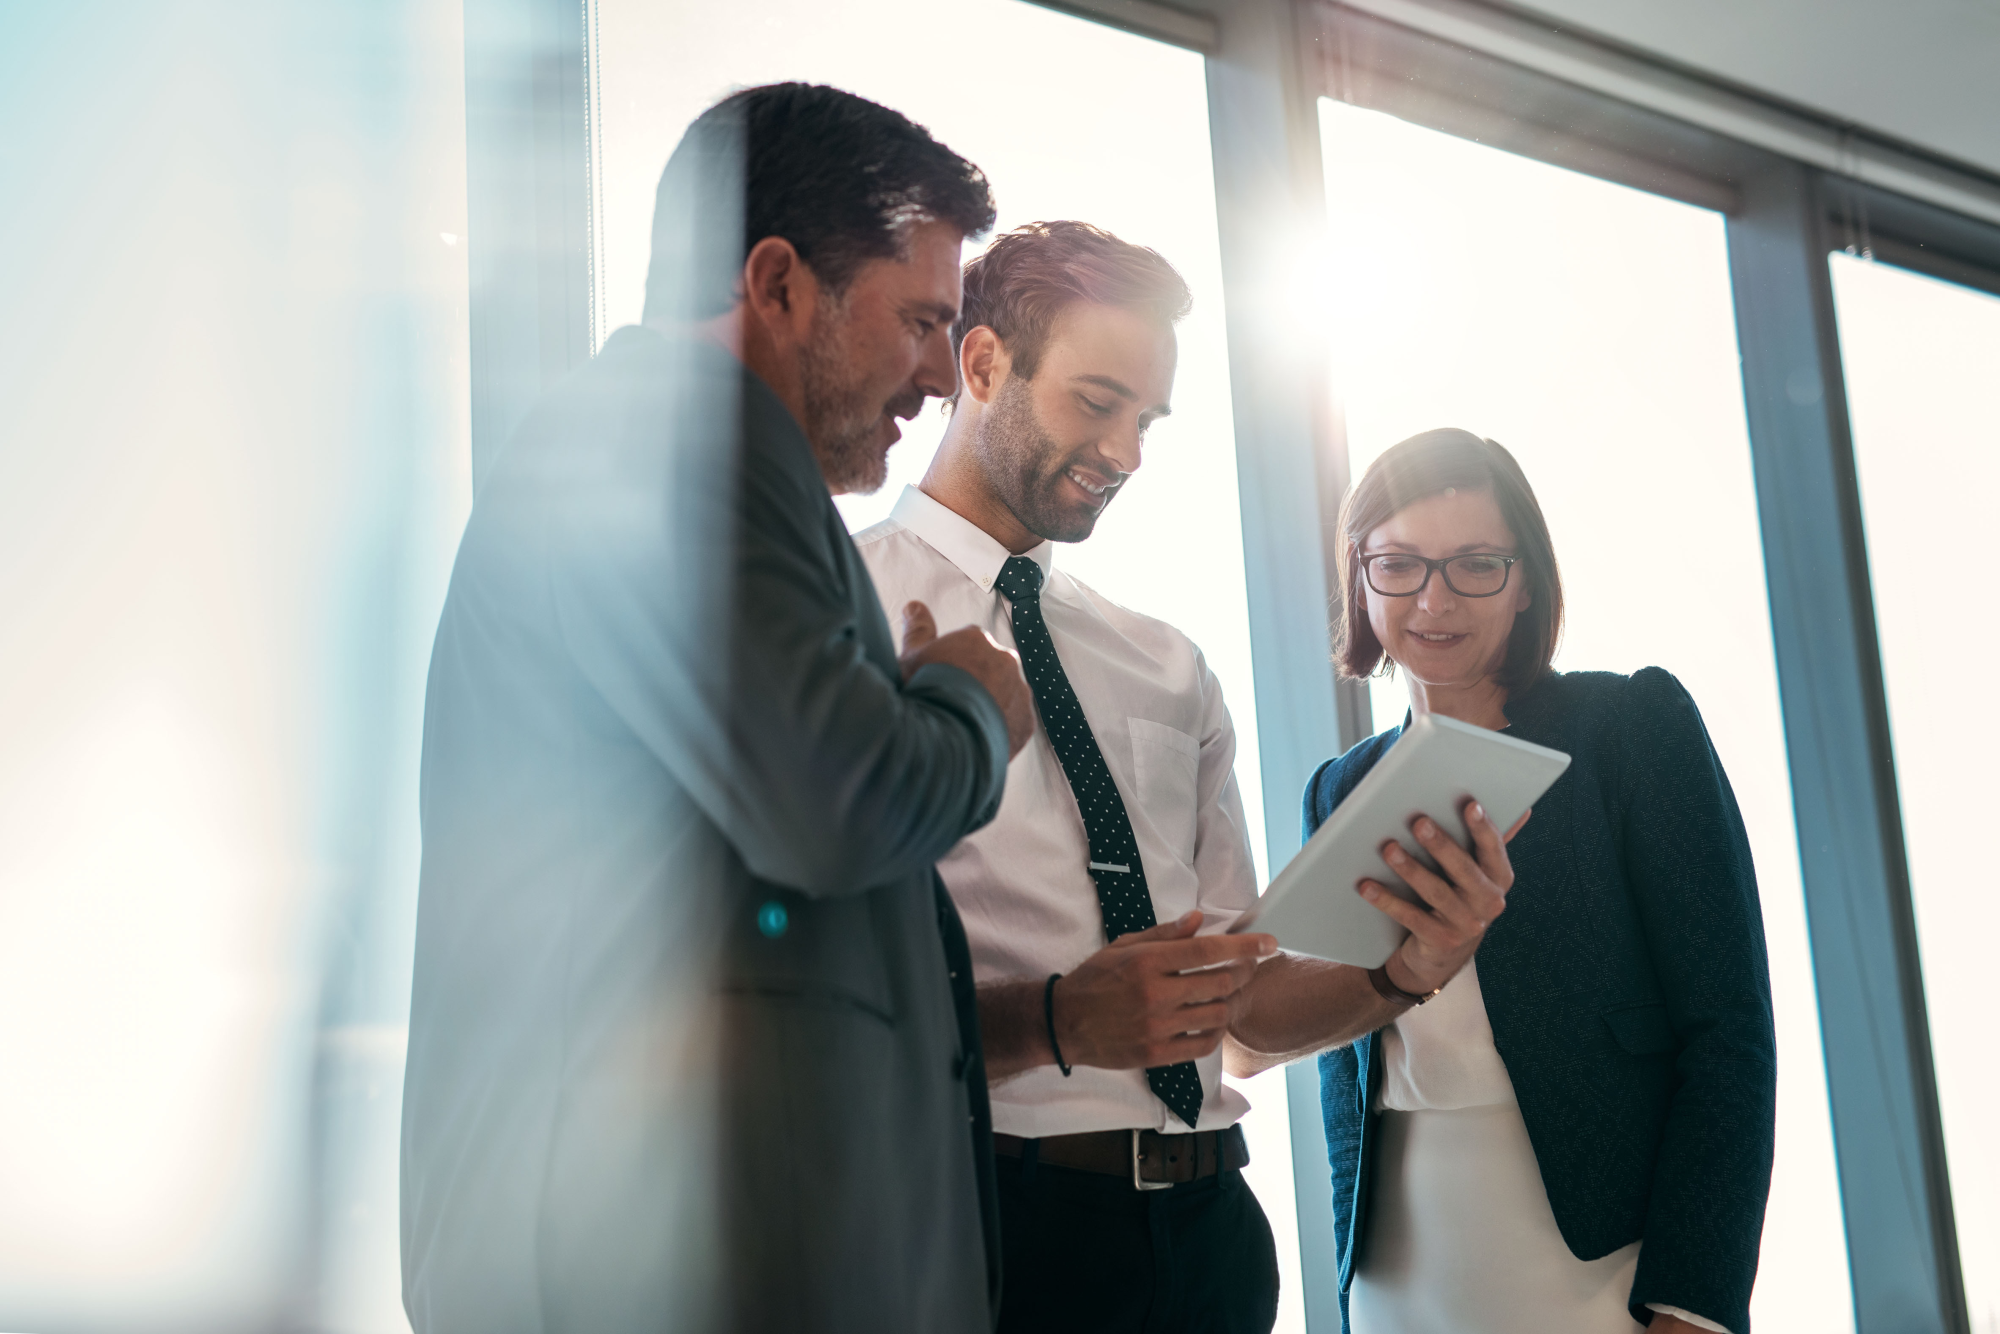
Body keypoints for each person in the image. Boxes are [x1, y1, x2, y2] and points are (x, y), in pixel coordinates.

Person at [401, 83, 1035, 1334]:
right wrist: (971, 700)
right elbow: (836, 797)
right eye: (915, 320)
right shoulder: (669, 438)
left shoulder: (683, 457)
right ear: (776, 281)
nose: (931, 377)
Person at [853, 222, 1509, 1334]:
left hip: (1210, 1234)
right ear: (980, 365)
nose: (1126, 451)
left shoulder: (1163, 663)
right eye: (1096, 400)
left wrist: (1404, 972)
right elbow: (818, 990)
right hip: (991, 1221)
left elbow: (1239, 1000)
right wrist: (1060, 1018)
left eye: (1146, 420)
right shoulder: (843, 608)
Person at [1304, 428, 1778, 1334]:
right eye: (1398, 564)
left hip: (1602, 1261)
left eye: (1475, 564)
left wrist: (1695, 1304)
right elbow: (1346, 1071)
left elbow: (1729, 1033)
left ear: (1524, 582)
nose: (1435, 598)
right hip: (1400, 1263)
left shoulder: (1627, 727)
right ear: (1360, 578)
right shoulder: (1339, 788)